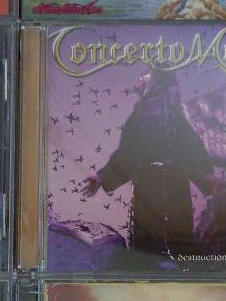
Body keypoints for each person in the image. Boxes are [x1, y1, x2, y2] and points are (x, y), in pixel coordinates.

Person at [80, 68, 214, 263]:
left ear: (158, 81)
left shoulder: (175, 116)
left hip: (174, 183)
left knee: (179, 241)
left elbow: (190, 148)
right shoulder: (140, 115)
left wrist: (205, 175)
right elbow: (127, 153)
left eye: (147, 75)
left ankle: (181, 273)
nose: (142, 78)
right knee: (146, 247)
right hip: (147, 184)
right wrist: (102, 177)